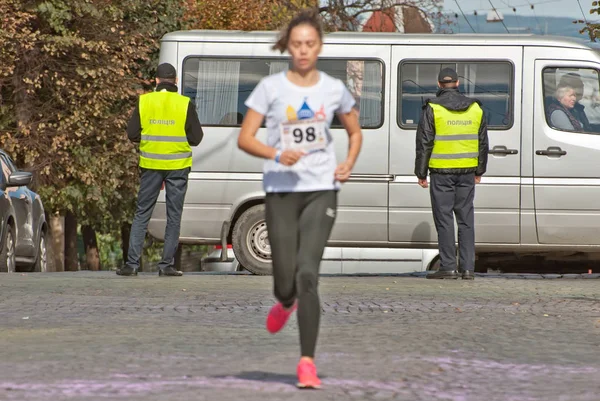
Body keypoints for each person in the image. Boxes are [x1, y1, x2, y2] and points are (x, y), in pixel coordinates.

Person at [237, 9, 362, 389]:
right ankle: (284, 301)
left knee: (308, 273)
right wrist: (276, 154)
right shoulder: (270, 89)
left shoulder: (333, 88)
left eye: (310, 44)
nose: (304, 50)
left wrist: (348, 163)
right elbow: (245, 138)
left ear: (319, 46)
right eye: (297, 44)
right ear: (288, 48)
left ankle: (307, 361)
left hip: (321, 188)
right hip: (280, 190)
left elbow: (355, 133)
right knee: (284, 281)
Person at [117, 63, 204, 277]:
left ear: (156, 81)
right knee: (173, 216)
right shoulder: (185, 103)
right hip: (178, 167)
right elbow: (197, 138)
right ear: (175, 81)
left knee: (142, 213)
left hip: (150, 166)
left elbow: (132, 133)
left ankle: (132, 265)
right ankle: (166, 266)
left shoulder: (145, 101)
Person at [414, 67, 489, 280]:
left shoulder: (432, 108)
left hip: (441, 173)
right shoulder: (475, 108)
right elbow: (483, 142)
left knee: (444, 218)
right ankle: (467, 268)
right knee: (466, 219)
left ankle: (448, 267)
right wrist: (479, 170)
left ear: (439, 85)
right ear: (457, 83)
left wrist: (421, 172)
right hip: (467, 172)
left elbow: (424, 142)